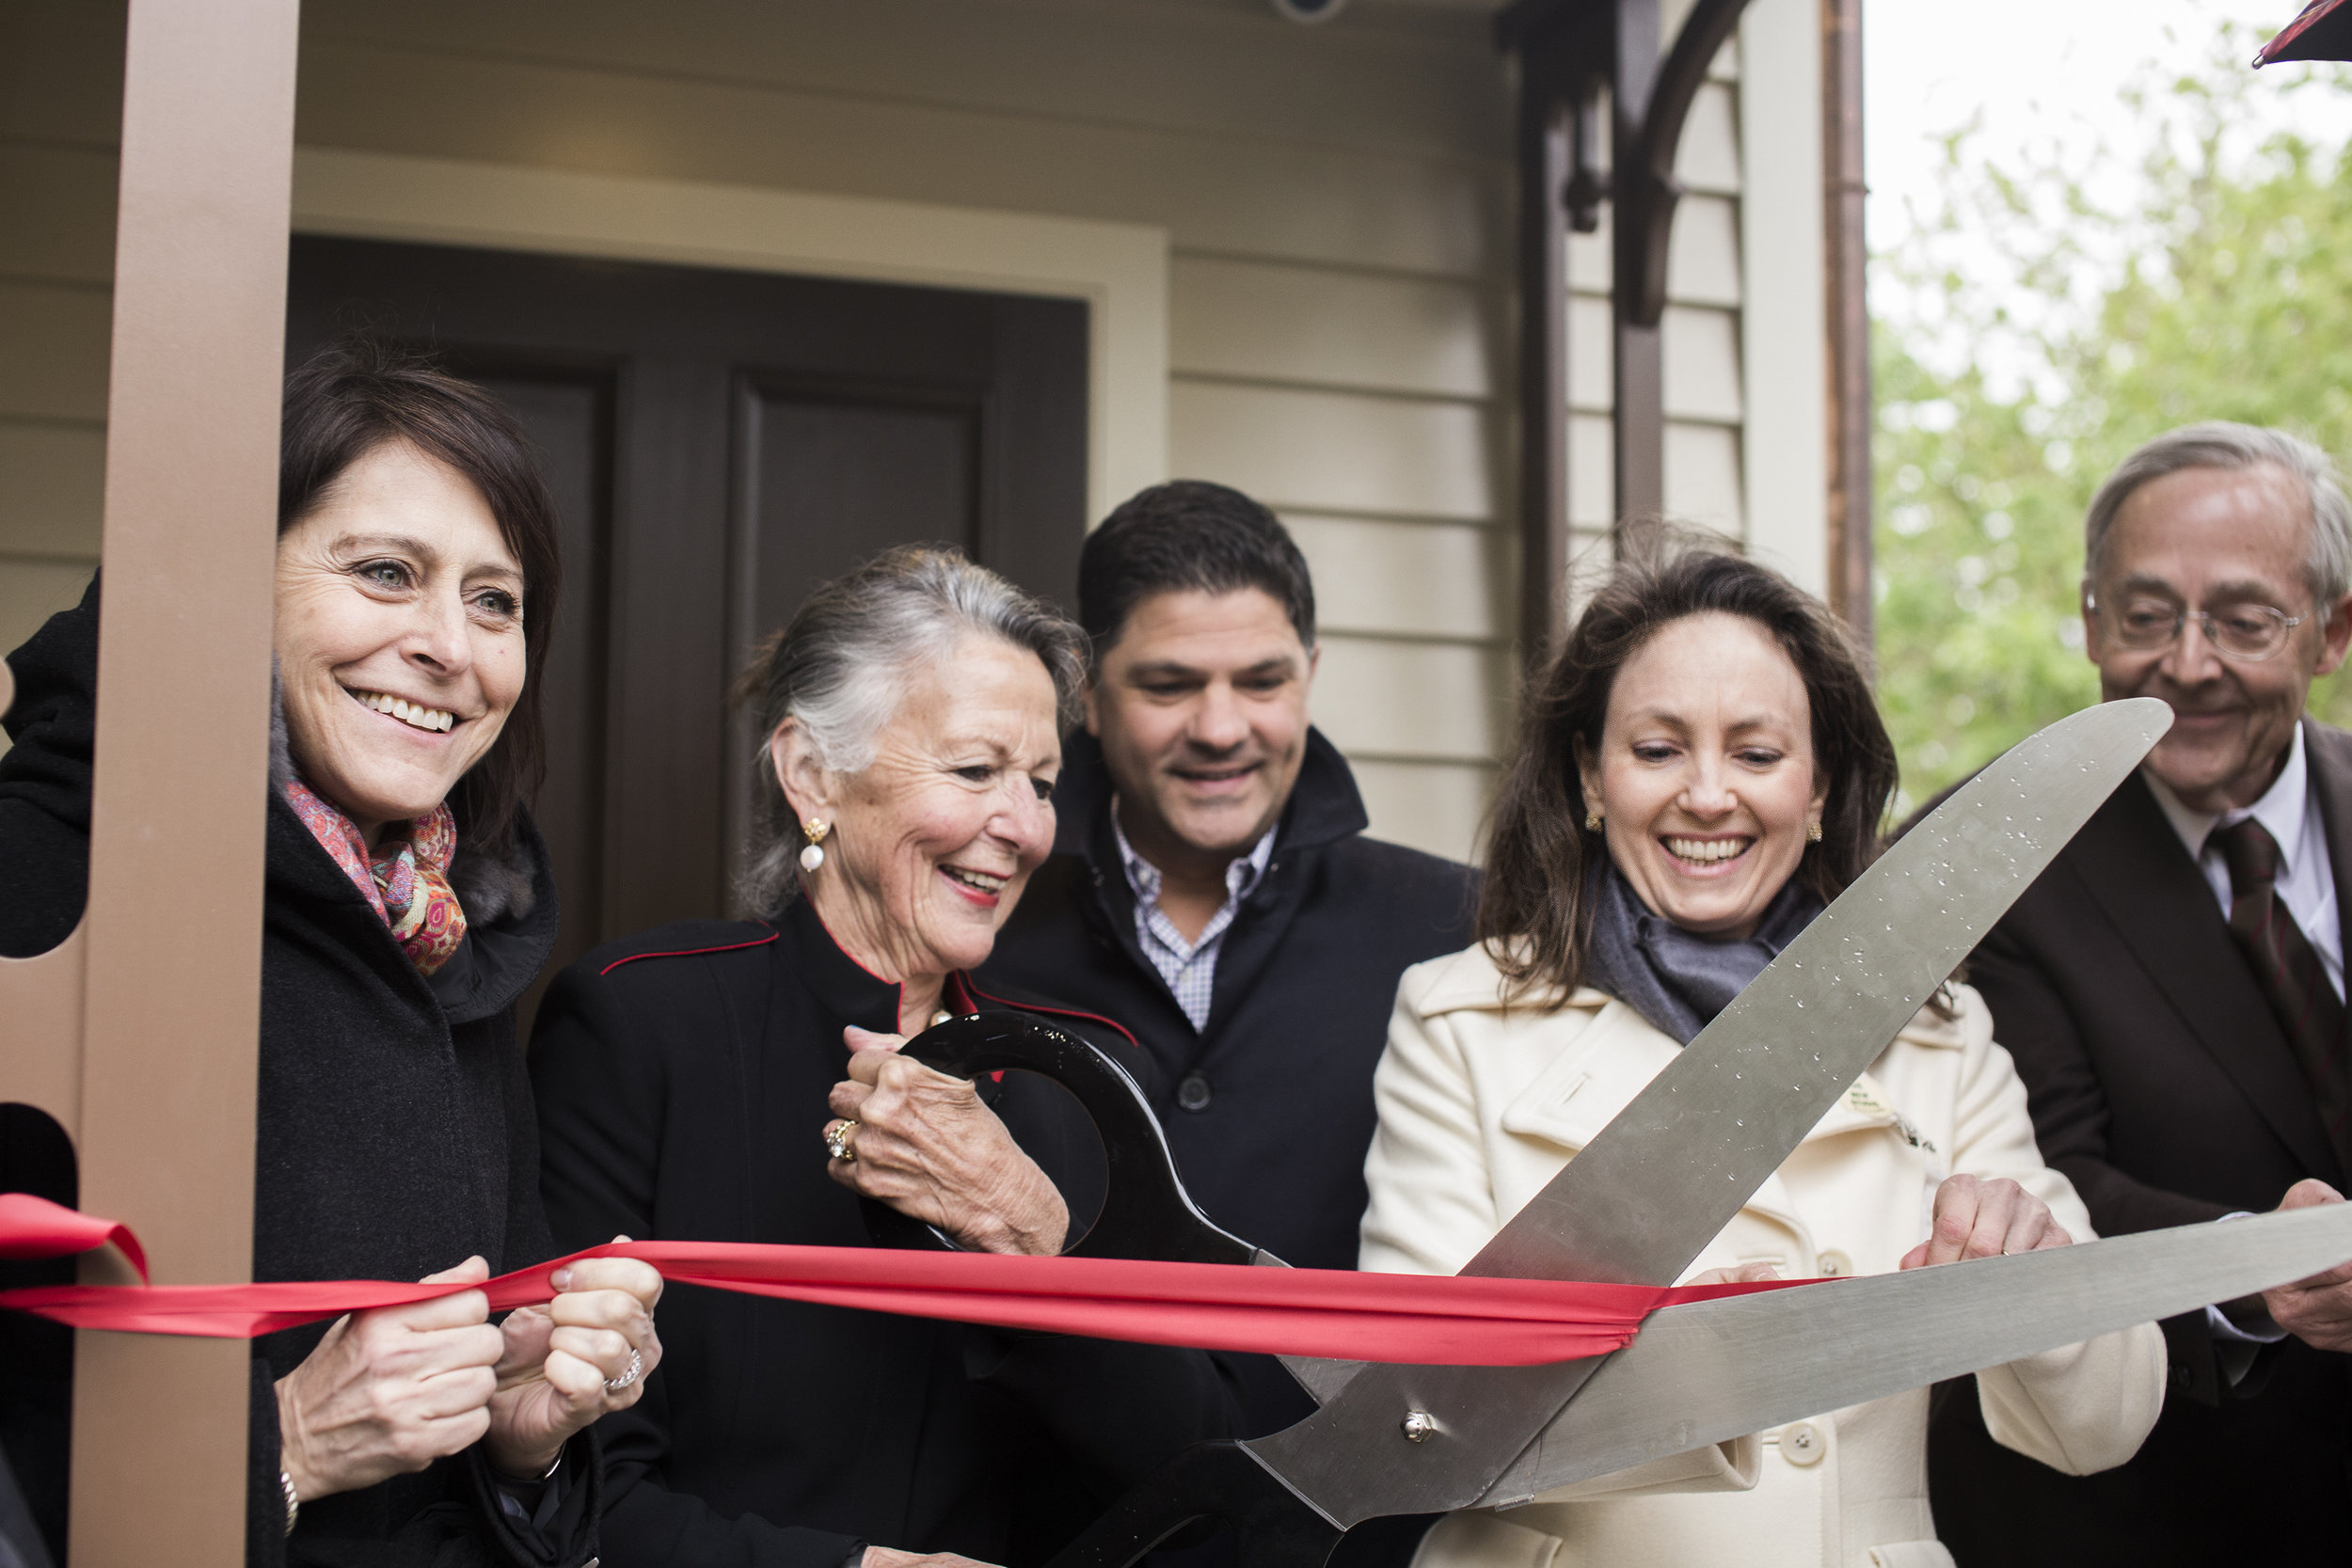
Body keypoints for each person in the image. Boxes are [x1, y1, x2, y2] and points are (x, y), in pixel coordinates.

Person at [1358, 541, 2166, 1568]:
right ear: (1588, 775)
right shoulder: (1456, 1020)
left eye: (1755, 752)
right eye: (1656, 749)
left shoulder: (1936, 1031)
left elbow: (2107, 1422)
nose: (1706, 794)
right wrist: (1696, 1369)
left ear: (1821, 784)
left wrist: (2035, 1283)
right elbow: (1412, 1420)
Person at [0, 339, 663, 1567]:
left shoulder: (456, 927)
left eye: (494, 599)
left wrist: (526, 1443)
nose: (450, 647)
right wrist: (291, 1444)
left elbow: (469, 1465)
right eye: (384, 571)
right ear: (212, 578)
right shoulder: (42, 884)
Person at [529, 546, 1239, 1568]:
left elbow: (1195, 1468)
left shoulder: (1086, 1076)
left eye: (1039, 782)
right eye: (973, 769)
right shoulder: (642, 1022)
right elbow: (574, 1486)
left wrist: (1022, 1221)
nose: (1021, 826)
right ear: (813, 772)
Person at [1928, 423, 2352, 1564]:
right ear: (2089, 624)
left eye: (2245, 619)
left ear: (2333, 630)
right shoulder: (1980, 859)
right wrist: (2255, 1264)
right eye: (2145, 614)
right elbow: (2041, 1180)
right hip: (2161, 1505)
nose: (2188, 661)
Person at [980, 482, 1478, 1439]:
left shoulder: (1457, 926)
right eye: (1169, 685)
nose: (1219, 727)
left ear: (1311, 670)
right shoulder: (981, 922)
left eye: (1261, 681)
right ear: (1085, 691)